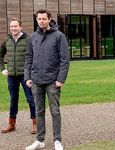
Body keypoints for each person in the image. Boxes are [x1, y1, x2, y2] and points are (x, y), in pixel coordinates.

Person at [24, 9, 70, 150]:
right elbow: (28, 58)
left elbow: (65, 59)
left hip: (52, 81)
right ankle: (40, 140)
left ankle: (57, 140)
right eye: (39, 19)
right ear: (37, 20)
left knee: (55, 111)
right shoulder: (33, 37)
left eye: (44, 18)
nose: (41, 21)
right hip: (36, 80)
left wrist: (60, 79)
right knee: (39, 111)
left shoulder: (59, 36)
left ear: (49, 19)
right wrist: (27, 77)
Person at [0, 17, 36, 134]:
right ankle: (11, 124)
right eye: (11, 26)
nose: (13, 28)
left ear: (20, 27)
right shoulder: (7, 41)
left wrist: (31, 72)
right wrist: (2, 69)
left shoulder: (28, 39)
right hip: (11, 76)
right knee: (13, 99)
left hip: (26, 76)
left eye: (15, 26)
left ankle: (35, 124)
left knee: (31, 99)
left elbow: (36, 56)